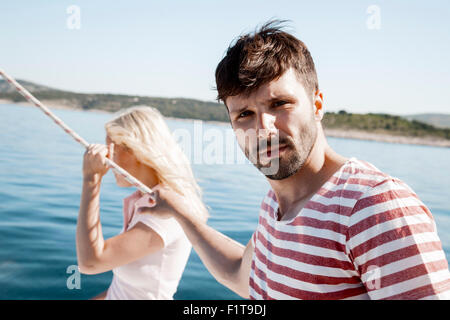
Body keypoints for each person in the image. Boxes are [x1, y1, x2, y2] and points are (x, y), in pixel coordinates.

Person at [137, 21, 450, 299]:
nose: (263, 128)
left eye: (280, 103)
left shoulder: (374, 207)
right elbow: (240, 276)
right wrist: (179, 211)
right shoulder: (274, 208)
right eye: (244, 114)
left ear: (317, 104)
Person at [76, 106, 208, 300]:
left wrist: (90, 180)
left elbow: (90, 263)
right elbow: (123, 289)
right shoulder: (142, 201)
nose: (105, 160)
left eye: (110, 149)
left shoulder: (168, 211)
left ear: (134, 150)